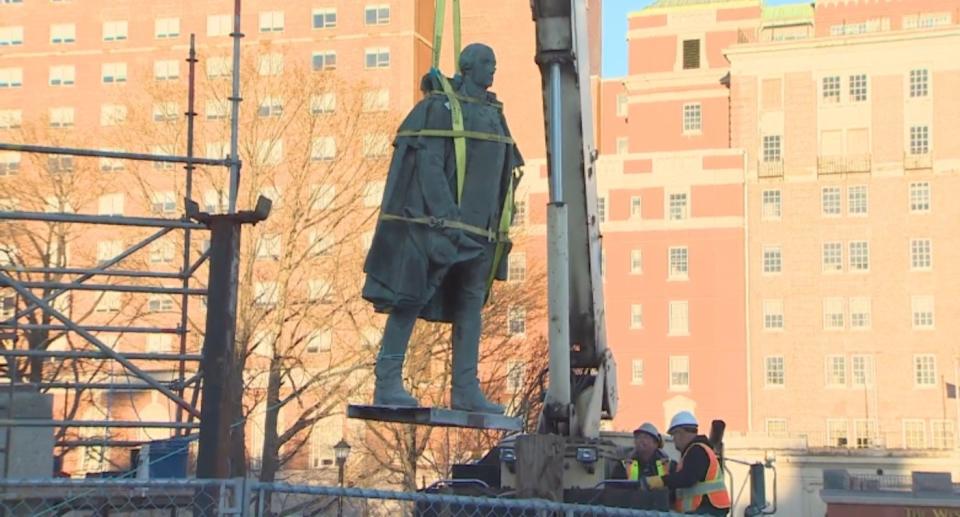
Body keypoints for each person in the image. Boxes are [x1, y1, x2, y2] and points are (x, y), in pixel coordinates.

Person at [361, 42, 523, 414]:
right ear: (467, 67)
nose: (492, 69)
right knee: (411, 298)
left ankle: (466, 389)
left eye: (494, 63)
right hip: (443, 230)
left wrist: (499, 226)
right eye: (486, 62)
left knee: (470, 306)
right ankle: (387, 382)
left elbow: (506, 173)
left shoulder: (495, 114)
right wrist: (447, 218)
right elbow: (429, 166)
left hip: (481, 235)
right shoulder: (440, 108)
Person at [645, 411, 731, 515]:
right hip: (705, 509)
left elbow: (687, 478)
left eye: (673, 435)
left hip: (707, 509)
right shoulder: (695, 451)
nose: (673, 440)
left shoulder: (697, 451)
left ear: (680, 433)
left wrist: (661, 481)